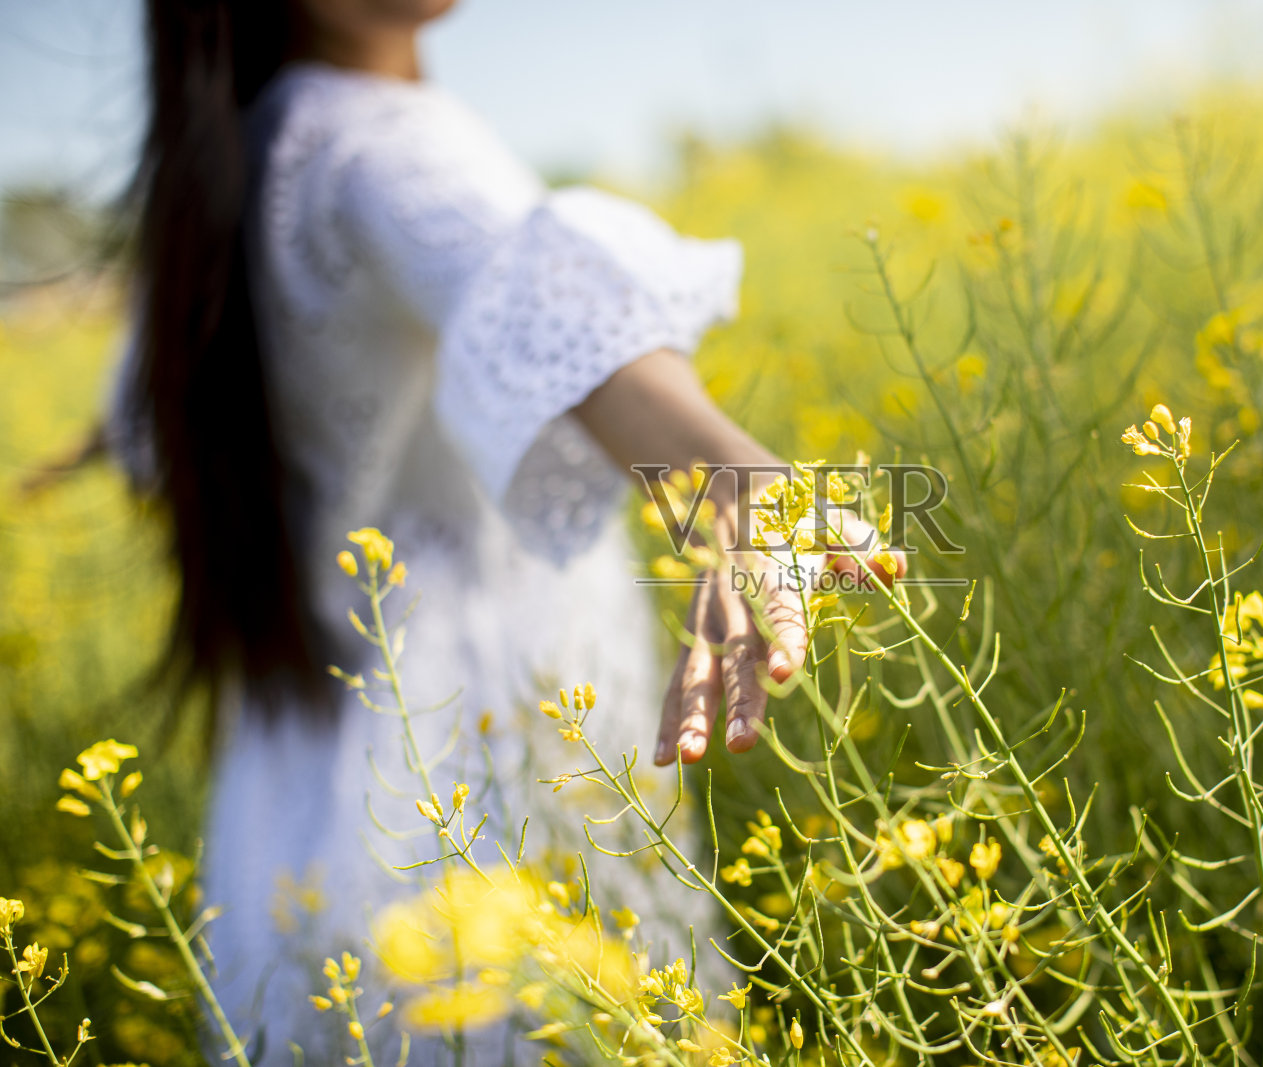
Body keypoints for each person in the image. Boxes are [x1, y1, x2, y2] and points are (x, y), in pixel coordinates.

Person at [91, 0, 902, 1063]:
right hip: (477, 753)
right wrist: (733, 476)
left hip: (308, 767)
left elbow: (149, 413)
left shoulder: (221, 172)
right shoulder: (379, 140)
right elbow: (528, 283)